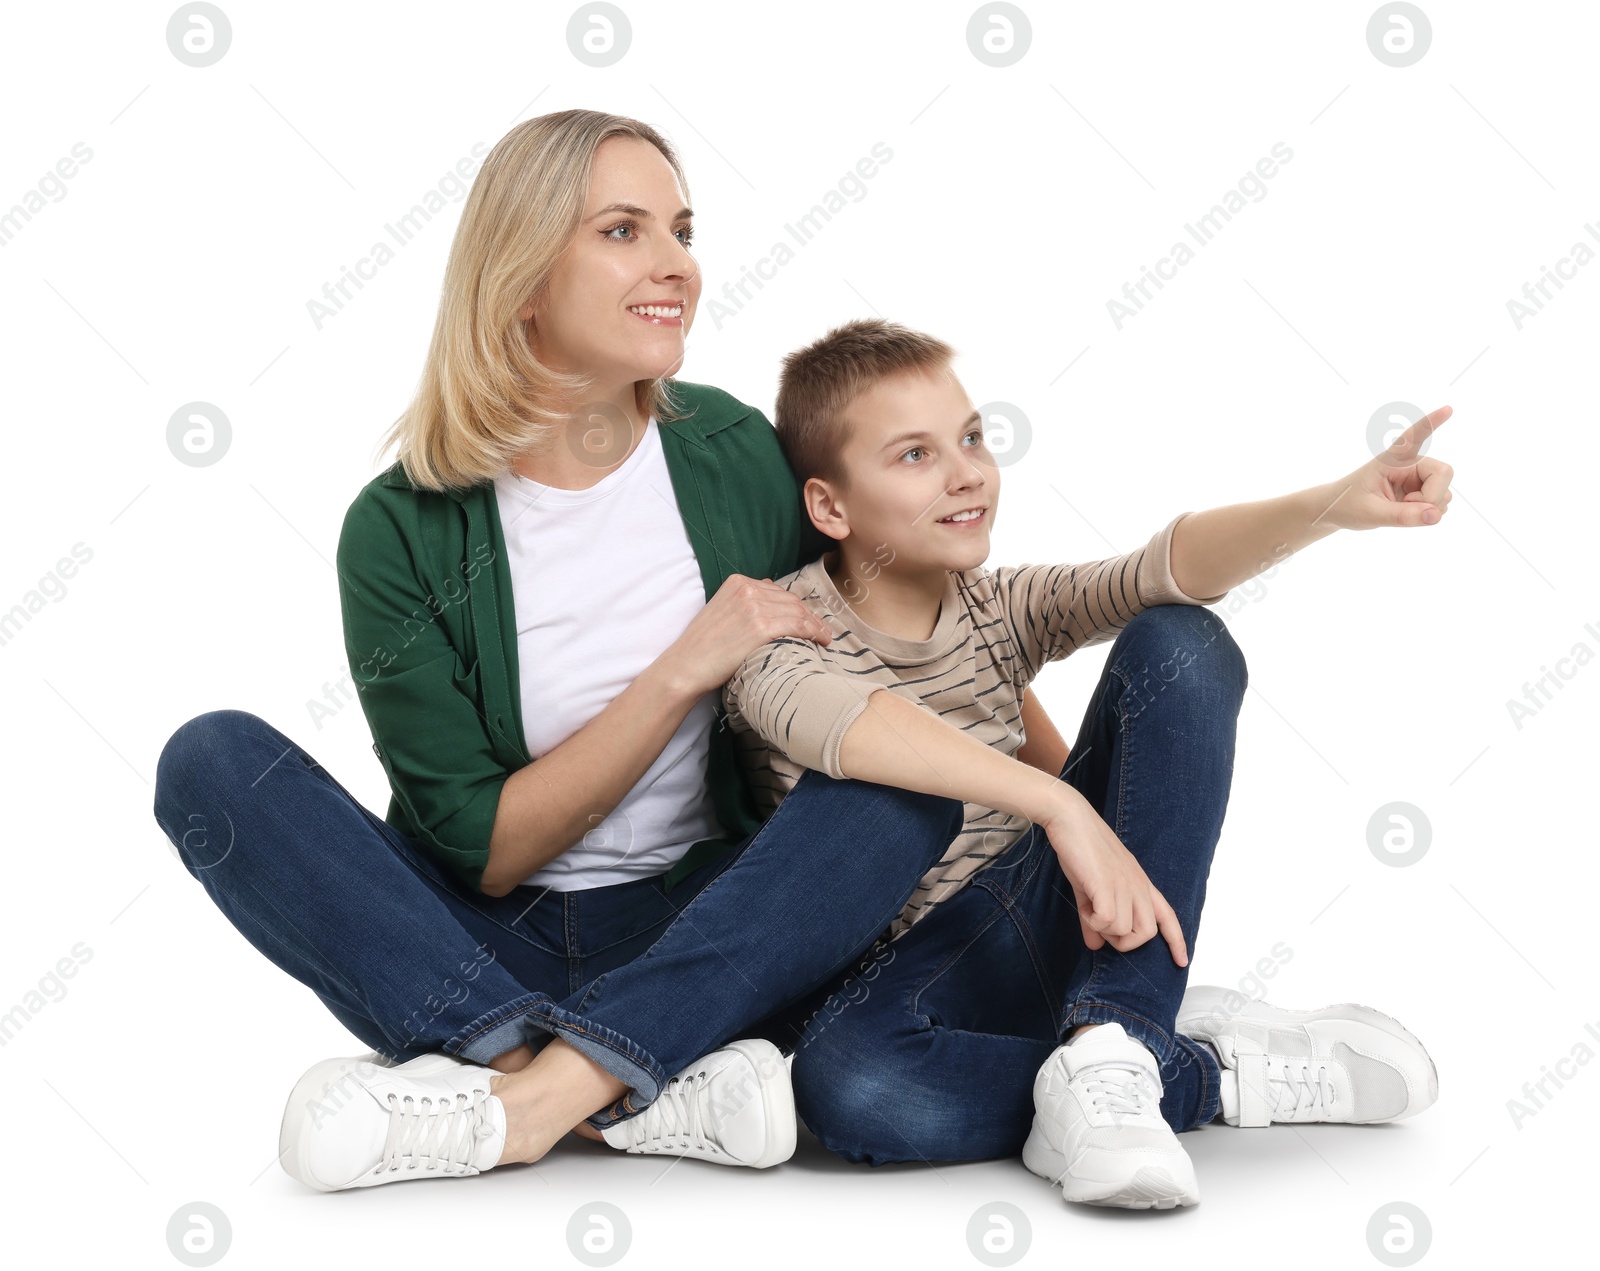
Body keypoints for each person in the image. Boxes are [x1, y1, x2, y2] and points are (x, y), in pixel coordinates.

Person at [150, 109, 1077, 1192]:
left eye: (681, 230)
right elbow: (484, 847)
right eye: (624, 232)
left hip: (708, 917)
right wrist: (681, 667)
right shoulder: (400, 527)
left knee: (887, 796)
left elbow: (917, 630)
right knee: (211, 760)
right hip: (478, 939)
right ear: (524, 275)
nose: (675, 264)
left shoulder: (735, 454)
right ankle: (598, 1070)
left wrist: (1065, 815)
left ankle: (524, 1092)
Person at [716, 316, 1447, 1208]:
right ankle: (1203, 1071)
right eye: (914, 455)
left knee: (1179, 639)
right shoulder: (777, 627)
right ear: (830, 506)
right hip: (910, 982)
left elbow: (1159, 568)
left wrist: (1333, 504)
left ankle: (1113, 1042)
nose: (967, 473)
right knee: (850, 1089)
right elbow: (851, 725)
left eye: (972, 437)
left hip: (1061, 919)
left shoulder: (997, 607)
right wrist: (1065, 807)